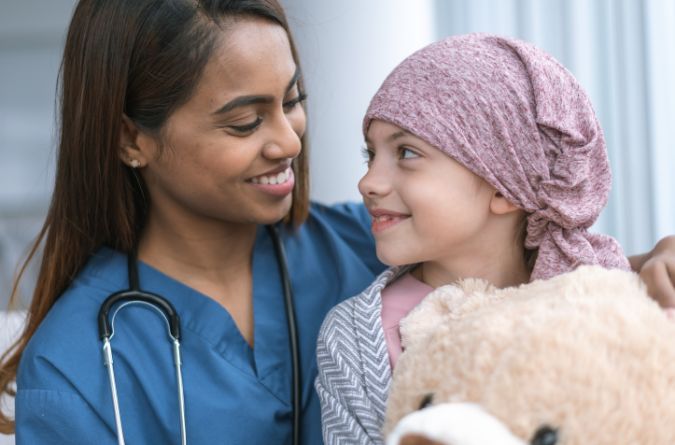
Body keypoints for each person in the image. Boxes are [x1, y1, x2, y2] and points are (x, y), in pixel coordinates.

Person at [0, 4, 672, 444]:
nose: (288, 141)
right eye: (243, 121)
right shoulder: (79, 368)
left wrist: (648, 265)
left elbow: (538, 270)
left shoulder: (372, 242)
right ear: (130, 140)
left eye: (292, 101)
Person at [315, 33, 675, 445]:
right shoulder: (358, 341)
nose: (368, 182)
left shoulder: (604, 294)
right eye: (370, 155)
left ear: (505, 186)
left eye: (407, 153)